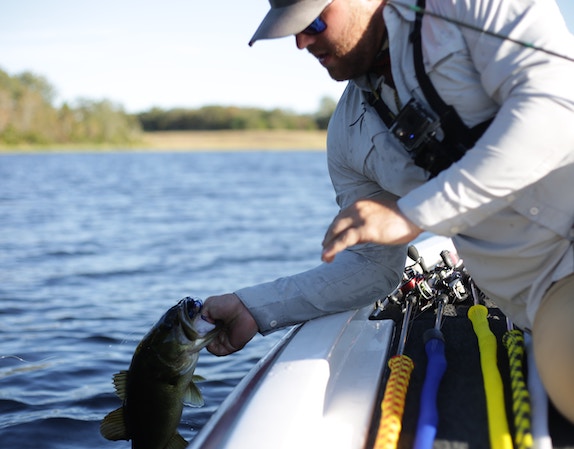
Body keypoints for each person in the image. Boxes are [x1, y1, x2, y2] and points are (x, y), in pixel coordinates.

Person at [202, 0, 574, 423]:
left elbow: (555, 111)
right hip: (550, 298)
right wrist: (253, 306)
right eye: (293, 30)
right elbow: (371, 270)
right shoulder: (346, 137)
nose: (303, 41)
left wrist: (412, 214)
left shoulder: (476, 6)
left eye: (315, 21)